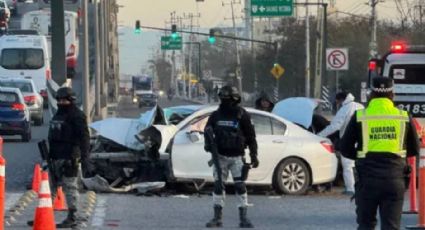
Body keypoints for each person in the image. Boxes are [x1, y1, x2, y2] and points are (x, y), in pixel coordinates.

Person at [340, 77, 420, 230]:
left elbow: (345, 148)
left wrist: (361, 156)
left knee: (366, 225)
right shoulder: (403, 116)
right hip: (395, 179)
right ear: (392, 93)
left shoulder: (360, 116)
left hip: (367, 179)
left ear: (371, 93)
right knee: (391, 226)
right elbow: (415, 149)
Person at [204, 85, 259, 228]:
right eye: (223, 98)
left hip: (237, 158)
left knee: (240, 186)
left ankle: (243, 218)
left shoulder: (242, 115)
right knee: (218, 187)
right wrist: (208, 145)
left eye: (227, 99)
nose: (225, 102)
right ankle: (217, 218)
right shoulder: (215, 115)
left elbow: (251, 137)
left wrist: (254, 155)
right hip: (220, 157)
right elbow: (207, 132)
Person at [48, 87, 91, 228]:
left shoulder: (77, 116)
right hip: (55, 157)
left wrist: (84, 158)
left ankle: (73, 215)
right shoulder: (58, 114)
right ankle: (45, 214)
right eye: (59, 100)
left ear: (71, 100)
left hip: (69, 157)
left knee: (70, 188)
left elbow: (84, 138)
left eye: (64, 100)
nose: (61, 102)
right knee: (50, 188)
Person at [317, 91, 364, 195]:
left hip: (348, 141)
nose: (337, 104)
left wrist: (319, 135)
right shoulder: (360, 106)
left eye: (337, 101)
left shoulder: (344, 109)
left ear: (341, 100)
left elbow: (335, 126)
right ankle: (363, 188)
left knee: (347, 165)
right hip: (363, 140)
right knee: (362, 166)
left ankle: (350, 189)